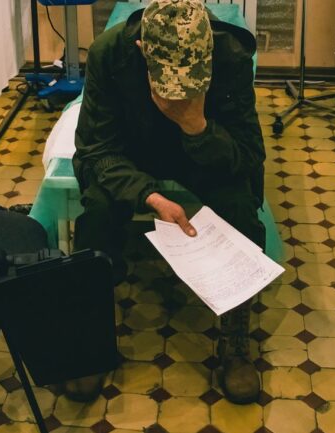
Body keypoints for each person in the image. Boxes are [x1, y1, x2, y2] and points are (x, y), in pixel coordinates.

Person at [68, 0, 266, 405]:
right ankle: (90, 335)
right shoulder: (109, 53)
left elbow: (248, 155)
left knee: (242, 211)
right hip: (130, 150)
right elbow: (95, 149)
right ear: (142, 49)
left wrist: (197, 126)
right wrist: (149, 195)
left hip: (202, 149)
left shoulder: (230, 55)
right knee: (97, 212)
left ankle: (235, 340)